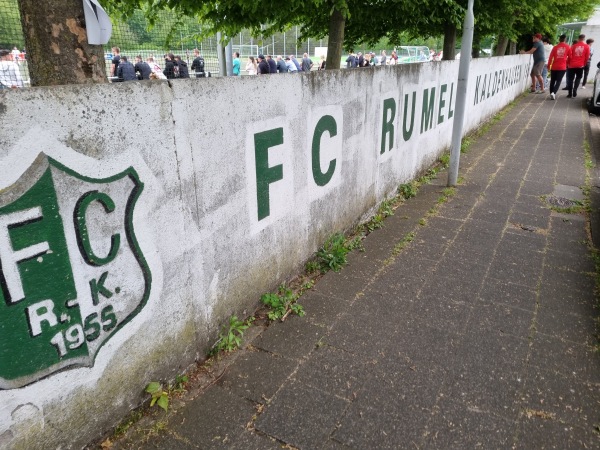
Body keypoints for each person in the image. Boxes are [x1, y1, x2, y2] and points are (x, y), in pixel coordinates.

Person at [565, 34, 590, 98]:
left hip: (571, 65)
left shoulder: (573, 46)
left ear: (578, 38)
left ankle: (570, 93)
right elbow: (587, 57)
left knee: (570, 79)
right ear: (584, 39)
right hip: (580, 65)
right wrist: (584, 64)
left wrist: (567, 63)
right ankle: (575, 89)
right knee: (578, 78)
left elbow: (569, 56)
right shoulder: (587, 46)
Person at [547, 34, 570, 100]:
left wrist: (549, 66)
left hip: (554, 66)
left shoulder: (555, 47)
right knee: (559, 81)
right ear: (565, 39)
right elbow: (570, 57)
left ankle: (551, 92)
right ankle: (553, 93)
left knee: (552, 81)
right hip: (562, 67)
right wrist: (567, 63)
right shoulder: (568, 47)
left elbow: (551, 57)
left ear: (559, 39)